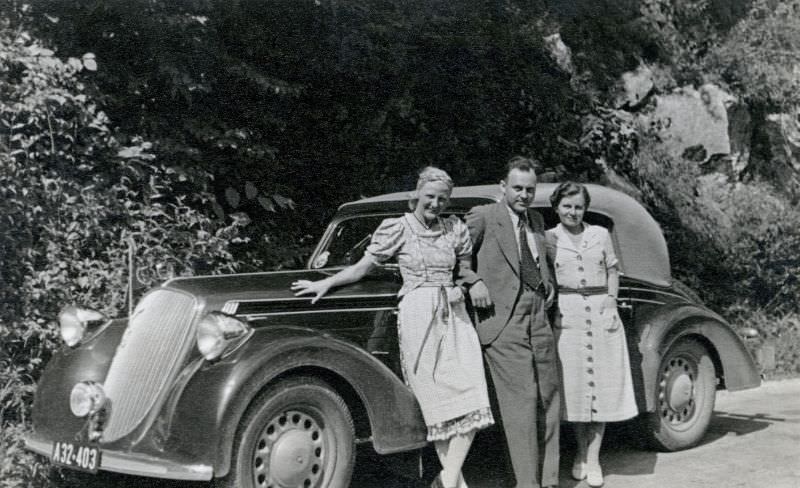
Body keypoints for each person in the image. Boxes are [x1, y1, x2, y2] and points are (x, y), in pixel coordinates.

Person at [292, 167, 494, 488]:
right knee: (437, 403)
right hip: (418, 314)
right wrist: (325, 284)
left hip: (455, 317)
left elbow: (465, 271)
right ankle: (454, 482)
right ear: (417, 195)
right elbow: (361, 268)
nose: (436, 204)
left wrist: (463, 288)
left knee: (471, 398)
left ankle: (448, 478)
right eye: (430, 197)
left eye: (442, 199)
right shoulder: (397, 228)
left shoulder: (454, 228)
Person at [459, 156, 560, 488]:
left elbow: (540, 259)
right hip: (504, 321)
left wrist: (548, 283)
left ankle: (548, 481)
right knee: (521, 407)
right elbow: (456, 256)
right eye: (517, 188)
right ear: (502, 187)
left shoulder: (537, 220)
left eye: (530, 189)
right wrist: (473, 281)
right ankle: (527, 483)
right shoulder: (484, 216)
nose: (524, 195)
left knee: (548, 400)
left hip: (539, 318)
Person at [544, 182, 638, 488]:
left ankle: (594, 458)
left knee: (601, 389)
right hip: (567, 314)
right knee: (575, 390)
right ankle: (580, 454)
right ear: (557, 207)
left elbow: (612, 270)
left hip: (601, 312)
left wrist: (611, 301)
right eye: (567, 206)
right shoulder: (549, 238)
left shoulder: (599, 234)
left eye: (578, 207)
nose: (573, 212)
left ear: (585, 208)